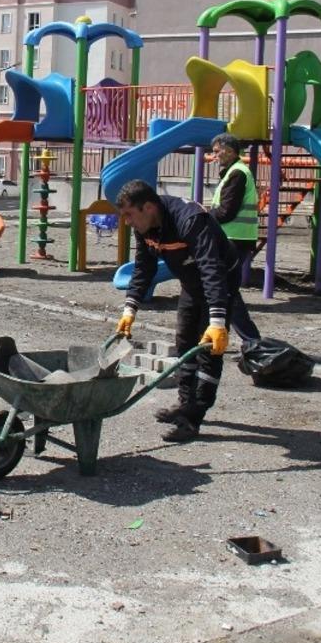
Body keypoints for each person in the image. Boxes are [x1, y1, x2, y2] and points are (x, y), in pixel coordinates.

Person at [113, 179, 259, 443]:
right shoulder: (145, 227)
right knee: (185, 342)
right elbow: (144, 267)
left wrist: (217, 320)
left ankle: (193, 418)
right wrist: (129, 309)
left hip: (220, 282)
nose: (126, 222)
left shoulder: (190, 219)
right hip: (192, 283)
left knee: (208, 350)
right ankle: (185, 403)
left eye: (128, 215)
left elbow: (211, 268)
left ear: (148, 207)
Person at [208, 133, 261, 342]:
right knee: (222, 289)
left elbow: (226, 212)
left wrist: (203, 216)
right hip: (233, 238)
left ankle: (252, 341)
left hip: (234, 239)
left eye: (216, 151)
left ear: (229, 151)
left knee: (226, 290)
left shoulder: (237, 174)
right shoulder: (234, 172)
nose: (214, 156)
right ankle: (219, 335)